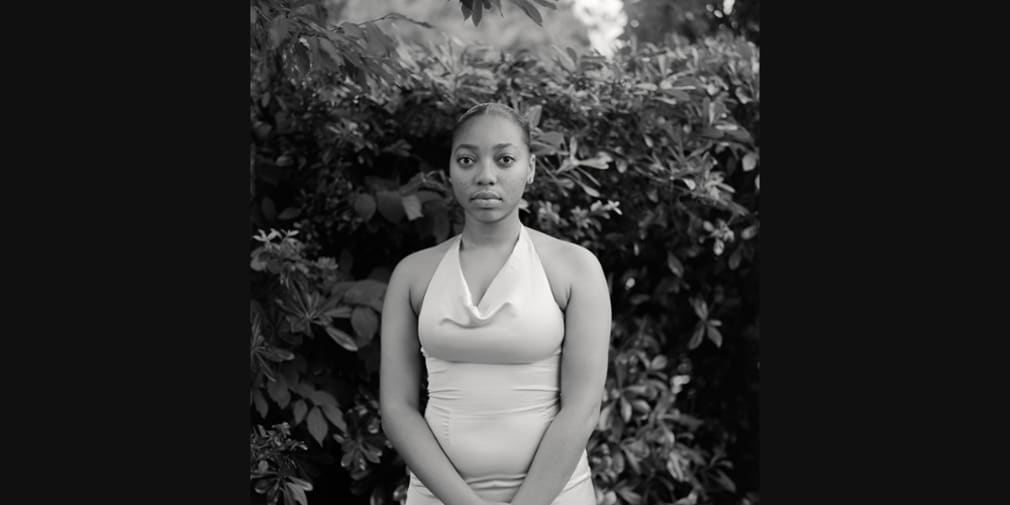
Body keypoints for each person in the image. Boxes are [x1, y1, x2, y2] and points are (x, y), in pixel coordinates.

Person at [380, 103, 611, 505]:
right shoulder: (413, 275)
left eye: (505, 159)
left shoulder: (575, 269)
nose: (486, 176)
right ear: (450, 170)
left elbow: (583, 407)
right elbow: (398, 408)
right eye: (467, 160)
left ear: (531, 169)